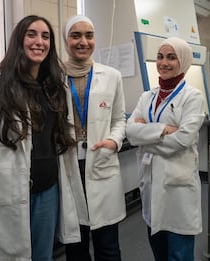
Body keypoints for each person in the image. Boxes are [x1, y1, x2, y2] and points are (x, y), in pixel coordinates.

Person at [0, 15, 86, 261]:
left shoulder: (56, 86)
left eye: (45, 36)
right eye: (31, 34)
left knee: (42, 257)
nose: (39, 41)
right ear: (19, 40)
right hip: (3, 192)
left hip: (48, 191)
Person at [126, 36, 205, 261]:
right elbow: (130, 132)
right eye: (160, 57)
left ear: (183, 61)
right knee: (158, 249)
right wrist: (162, 130)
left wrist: (146, 135)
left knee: (179, 254)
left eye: (171, 57)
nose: (164, 63)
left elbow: (183, 141)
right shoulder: (147, 97)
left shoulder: (192, 97)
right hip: (151, 184)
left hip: (177, 186)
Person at [62, 15, 127, 261]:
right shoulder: (52, 77)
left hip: (101, 160)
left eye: (89, 35)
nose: (83, 41)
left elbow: (120, 119)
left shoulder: (111, 75)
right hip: (69, 166)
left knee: (107, 245)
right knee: (75, 246)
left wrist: (114, 141)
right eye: (75, 35)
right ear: (66, 39)